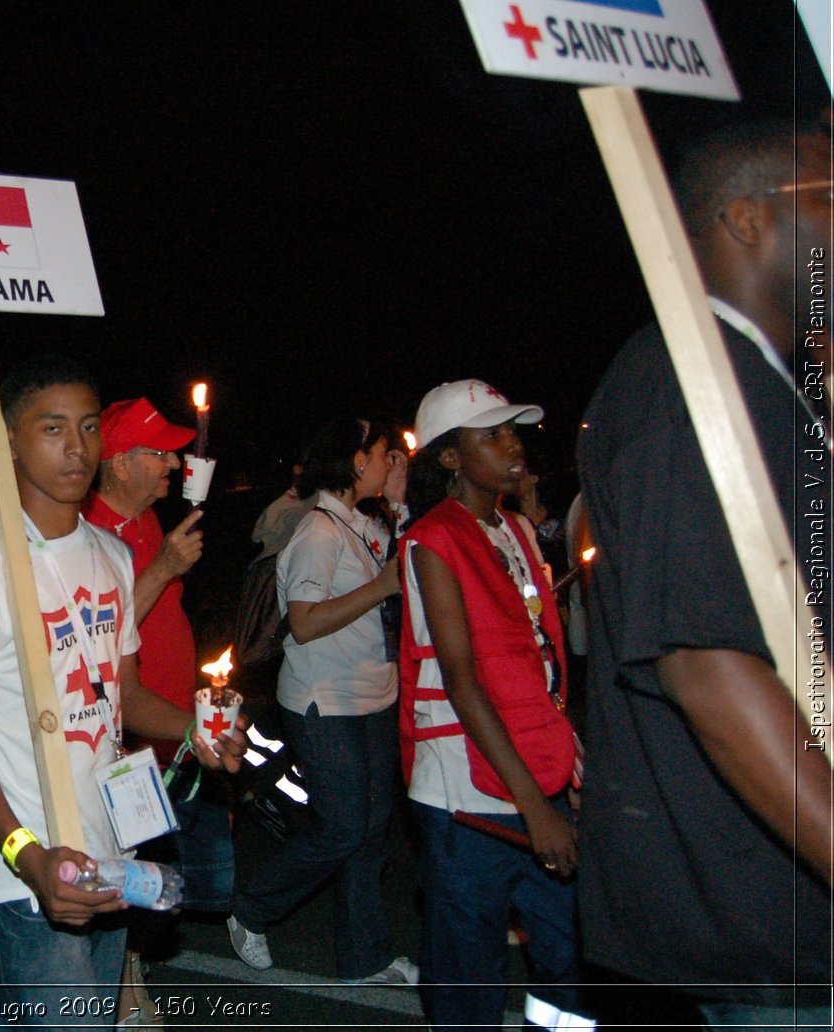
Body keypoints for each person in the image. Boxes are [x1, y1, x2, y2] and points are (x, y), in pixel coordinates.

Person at [577, 120, 832, 1028]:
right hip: (777, 926)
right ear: (748, 220)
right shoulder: (694, 396)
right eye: (828, 199)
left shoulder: (760, 389)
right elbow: (710, 664)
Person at [0, 356, 247, 1030]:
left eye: (90, 426)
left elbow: (122, 693)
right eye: (52, 428)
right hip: (26, 875)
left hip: (110, 856)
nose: (77, 447)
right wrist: (27, 856)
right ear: (8, 439)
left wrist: (197, 730)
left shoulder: (111, 553)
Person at [399, 381, 583, 1029]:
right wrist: (535, 806)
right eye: (493, 435)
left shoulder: (517, 530)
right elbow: (462, 679)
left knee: (566, 958)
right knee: (468, 975)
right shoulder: (432, 541)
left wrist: (569, 764)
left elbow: (539, 661)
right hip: (467, 793)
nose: (513, 446)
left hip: (533, 767)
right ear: (449, 458)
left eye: (513, 432)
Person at [225, 417, 414, 986]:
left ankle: (365, 957)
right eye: (385, 452)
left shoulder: (361, 522)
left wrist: (400, 506)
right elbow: (303, 624)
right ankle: (251, 908)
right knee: (342, 828)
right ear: (356, 462)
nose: (393, 460)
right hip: (323, 703)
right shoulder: (319, 532)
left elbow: (402, 569)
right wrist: (380, 587)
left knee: (372, 828)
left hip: (373, 697)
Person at [81, 396, 223, 1025]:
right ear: (116, 463)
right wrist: (164, 567)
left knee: (147, 867)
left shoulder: (144, 523)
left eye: (173, 450)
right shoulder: (89, 534)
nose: (171, 461)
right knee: (129, 869)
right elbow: (101, 642)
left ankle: (129, 989)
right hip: (122, 735)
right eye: (156, 451)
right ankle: (123, 999)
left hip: (163, 732)